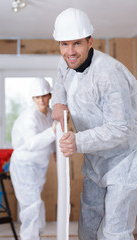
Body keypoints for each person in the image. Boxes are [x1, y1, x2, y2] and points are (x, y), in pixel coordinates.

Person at [52, 7, 137, 240]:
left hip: (125, 161)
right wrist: (58, 102)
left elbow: (121, 128)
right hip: (95, 159)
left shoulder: (109, 74)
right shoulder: (66, 63)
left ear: (90, 42)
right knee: (88, 228)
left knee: (114, 232)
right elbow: (60, 79)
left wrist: (78, 141)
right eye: (64, 44)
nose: (70, 52)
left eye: (77, 43)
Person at [9, 78, 56, 240]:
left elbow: (51, 138)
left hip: (39, 164)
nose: (41, 100)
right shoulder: (29, 117)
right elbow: (31, 143)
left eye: (44, 95)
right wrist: (53, 131)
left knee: (35, 200)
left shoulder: (49, 114)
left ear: (50, 95)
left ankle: (36, 234)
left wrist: (56, 151)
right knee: (31, 203)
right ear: (32, 99)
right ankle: (29, 237)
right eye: (37, 97)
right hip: (24, 164)